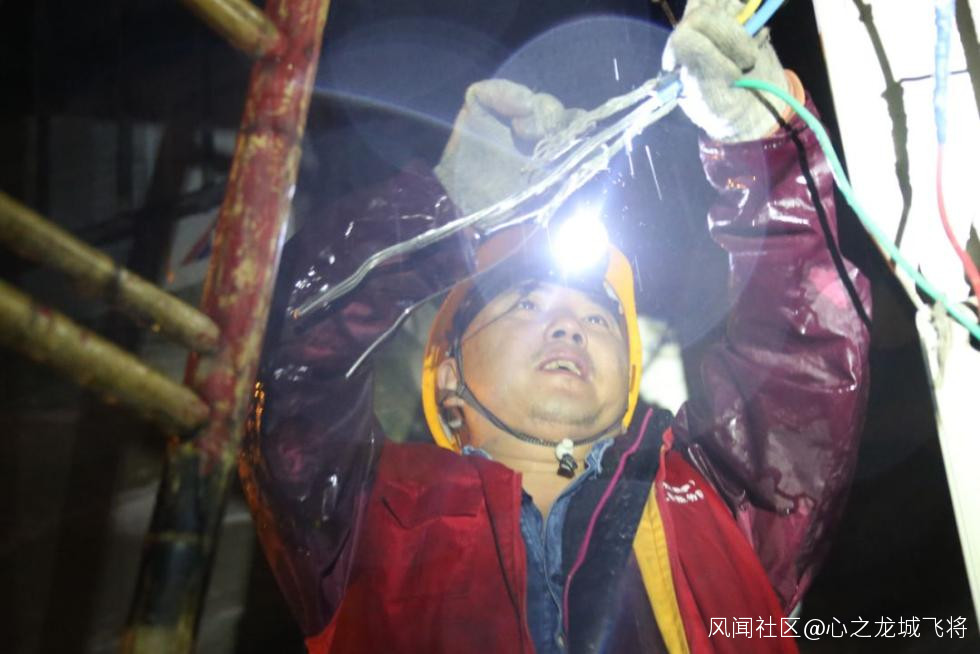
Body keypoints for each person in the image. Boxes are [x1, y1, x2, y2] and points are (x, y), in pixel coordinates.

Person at [240, 2, 872, 652]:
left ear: (628, 380)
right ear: (448, 377)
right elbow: (283, 353)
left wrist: (762, 150)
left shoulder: (723, 497)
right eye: (525, 304)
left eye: (599, 317)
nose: (571, 325)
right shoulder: (358, 520)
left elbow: (804, 356)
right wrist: (446, 205)